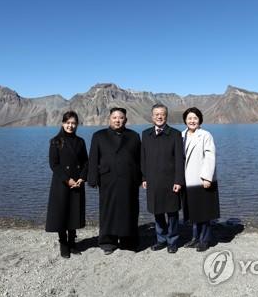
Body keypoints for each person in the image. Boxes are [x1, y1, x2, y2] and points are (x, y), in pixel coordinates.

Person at [88, 107, 141, 254]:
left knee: (129, 209)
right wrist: (92, 178)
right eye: (115, 117)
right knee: (107, 210)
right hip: (107, 179)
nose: (118, 120)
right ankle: (107, 242)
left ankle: (128, 241)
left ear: (126, 119)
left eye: (121, 117)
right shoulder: (99, 136)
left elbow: (140, 159)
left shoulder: (134, 136)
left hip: (129, 179)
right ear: (109, 119)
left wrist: (142, 177)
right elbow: (93, 158)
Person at [141, 103, 185, 254]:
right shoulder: (145, 134)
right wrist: (144, 177)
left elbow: (180, 159)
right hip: (153, 180)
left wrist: (179, 180)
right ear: (152, 116)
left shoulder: (175, 134)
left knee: (172, 212)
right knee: (157, 210)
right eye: (156, 114)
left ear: (166, 116)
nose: (159, 117)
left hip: (170, 180)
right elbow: (143, 158)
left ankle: (172, 240)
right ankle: (161, 239)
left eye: (162, 114)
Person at [45, 111, 88, 259]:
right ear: (63, 123)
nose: (70, 125)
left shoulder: (80, 141)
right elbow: (54, 165)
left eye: (73, 123)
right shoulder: (55, 141)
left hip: (77, 182)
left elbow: (85, 162)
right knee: (61, 213)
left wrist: (82, 178)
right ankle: (64, 244)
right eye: (68, 122)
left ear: (77, 124)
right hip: (62, 184)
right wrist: (67, 179)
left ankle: (72, 242)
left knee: (74, 213)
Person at [181, 107, 220, 252]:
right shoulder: (182, 135)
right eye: (189, 118)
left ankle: (205, 240)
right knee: (193, 212)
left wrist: (207, 177)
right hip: (187, 180)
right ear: (185, 120)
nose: (192, 121)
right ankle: (194, 238)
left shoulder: (205, 135)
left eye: (195, 118)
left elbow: (210, 156)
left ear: (200, 120)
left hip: (201, 179)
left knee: (205, 212)